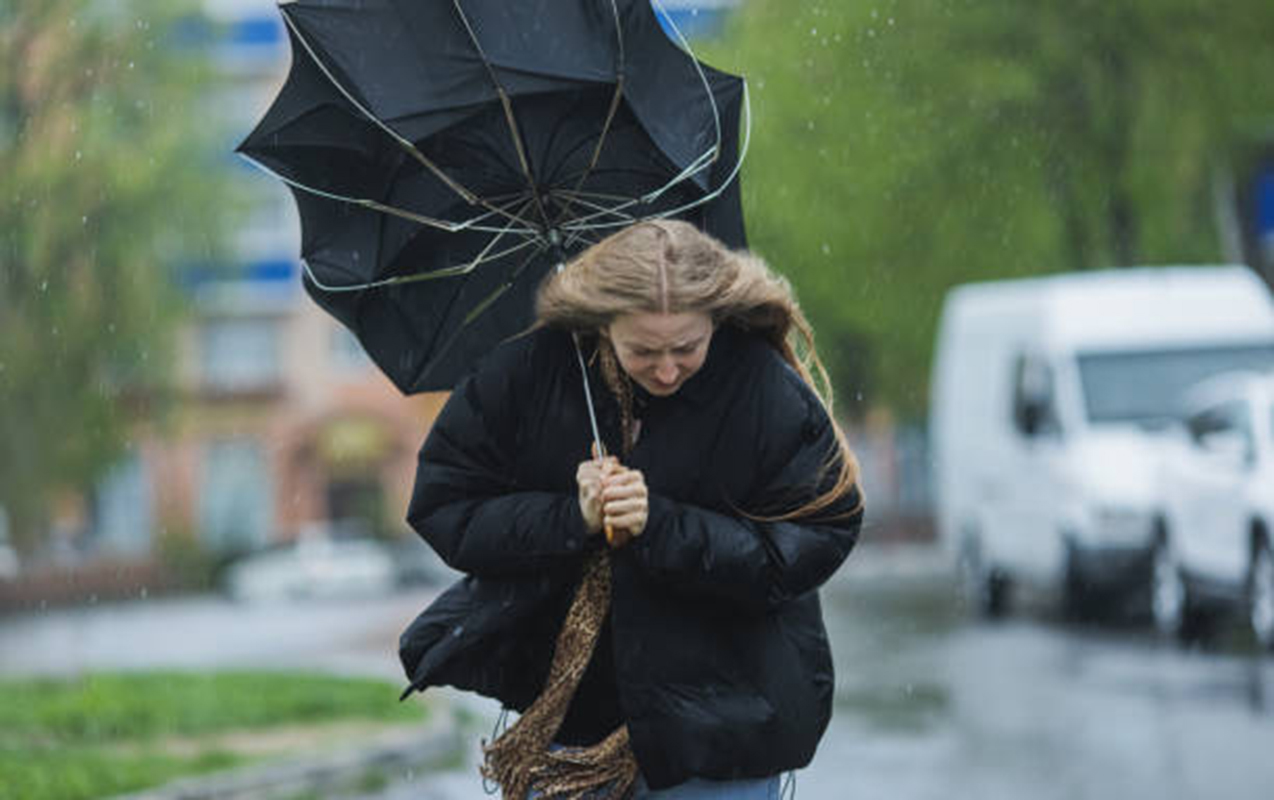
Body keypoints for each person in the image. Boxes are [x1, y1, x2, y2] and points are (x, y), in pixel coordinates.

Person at [398, 220, 864, 799]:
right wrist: (571, 518)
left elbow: (813, 537)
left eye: (687, 347)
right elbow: (447, 506)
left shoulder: (762, 388)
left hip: (721, 739)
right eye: (642, 350)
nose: (667, 369)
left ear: (715, 318)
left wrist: (661, 525)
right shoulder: (528, 374)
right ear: (602, 323)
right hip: (571, 736)